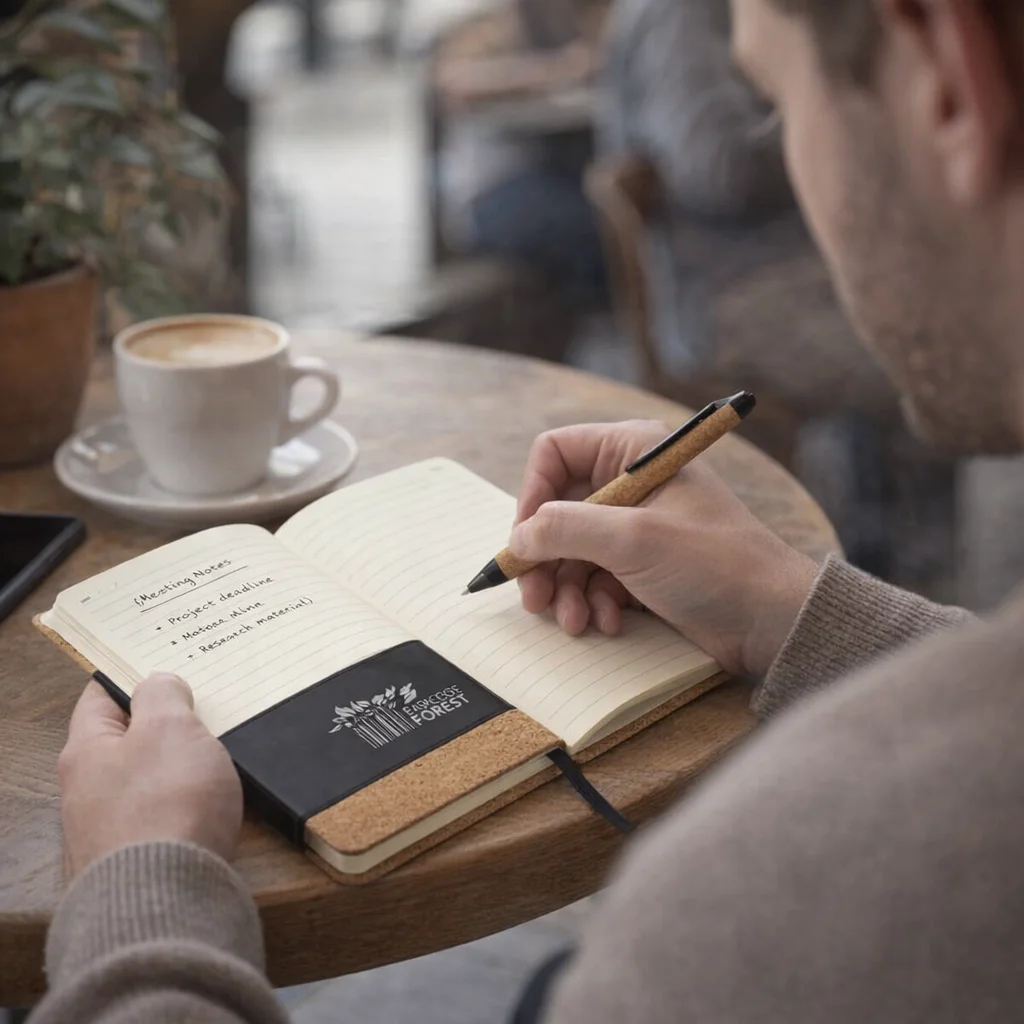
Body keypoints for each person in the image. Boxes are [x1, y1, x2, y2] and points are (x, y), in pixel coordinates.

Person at [30, 0, 1024, 1020]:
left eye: (777, 96)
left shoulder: (738, 922)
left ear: (951, 75)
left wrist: (140, 898)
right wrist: (791, 607)